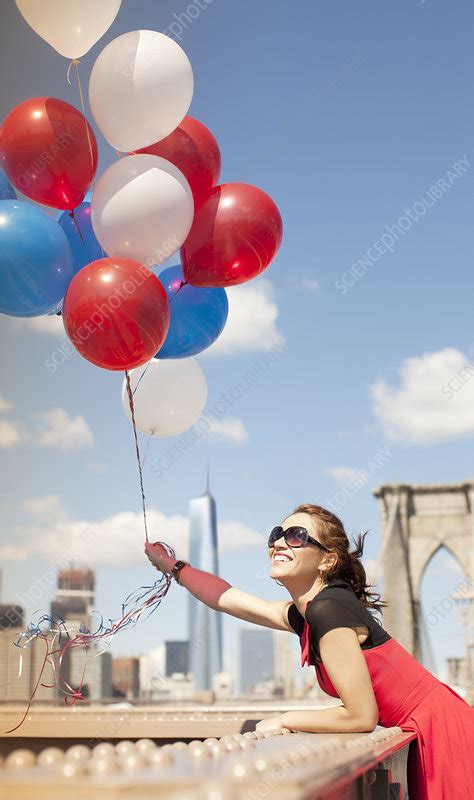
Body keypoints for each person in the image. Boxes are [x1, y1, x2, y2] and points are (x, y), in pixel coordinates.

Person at [145, 502, 474, 799]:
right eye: (277, 534)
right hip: (430, 726)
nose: (278, 542)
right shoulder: (312, 612)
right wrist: (172, 566)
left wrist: (284, 719)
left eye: (296, 536)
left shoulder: (328, 611)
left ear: (327, 559)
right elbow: (230, 600)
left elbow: (361, 716)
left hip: (441, 733)